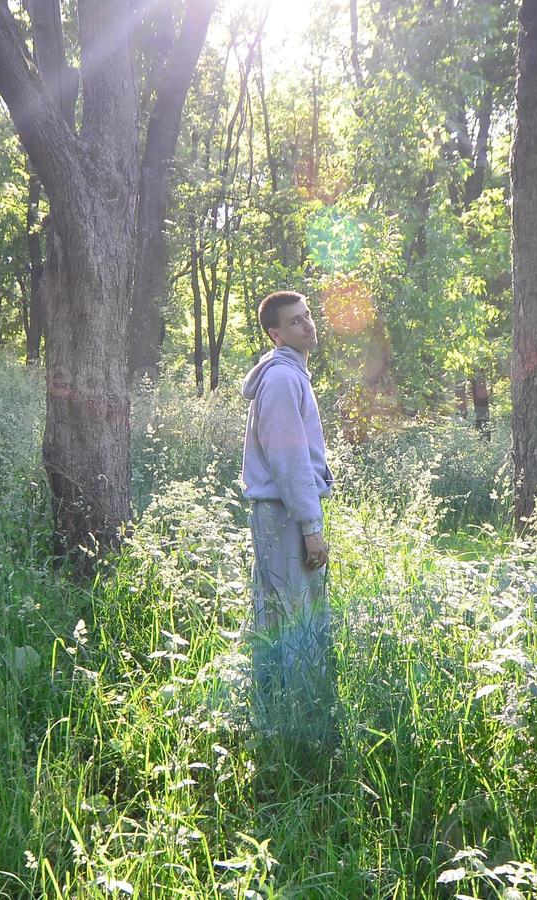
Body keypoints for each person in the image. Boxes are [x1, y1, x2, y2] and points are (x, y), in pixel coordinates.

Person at [240, 290, 336, 743]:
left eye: (308, 316)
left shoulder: (290, 374)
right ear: (276, 334)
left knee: (285, 614)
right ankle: (297, 725)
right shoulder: (281, 380)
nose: (308, 325)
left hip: (285, 513)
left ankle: (281, 717)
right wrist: (311, 527)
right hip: (283, 516)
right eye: (296, 322)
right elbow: (290, 462)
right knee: (294, 615)